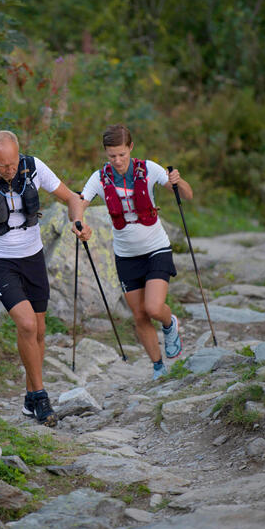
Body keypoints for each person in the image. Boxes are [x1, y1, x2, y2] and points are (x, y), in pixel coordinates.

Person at [0, 130, 90, 426]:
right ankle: (40, 397)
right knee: (26, 323)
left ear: (19, 155)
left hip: (32, 255)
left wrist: (78, 221)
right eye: (2, 166)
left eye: (12, 164)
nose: (9, 170)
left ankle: (27, 397)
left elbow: (73, 198)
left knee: (39, 331)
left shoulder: (32, 166)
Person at [78, 124, 193, 380]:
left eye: (121, 154)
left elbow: (187, 194)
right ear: (106, 153)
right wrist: (78, 221)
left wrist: (178, 181)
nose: (117, 161)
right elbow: (79, 202)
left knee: (153, 308)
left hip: (156, 248)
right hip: (126, 255)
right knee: (139, 315)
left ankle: (169, 323)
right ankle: (158, 366)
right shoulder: (99, 178)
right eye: (111, 156)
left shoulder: (149, 169)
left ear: (130, 147)